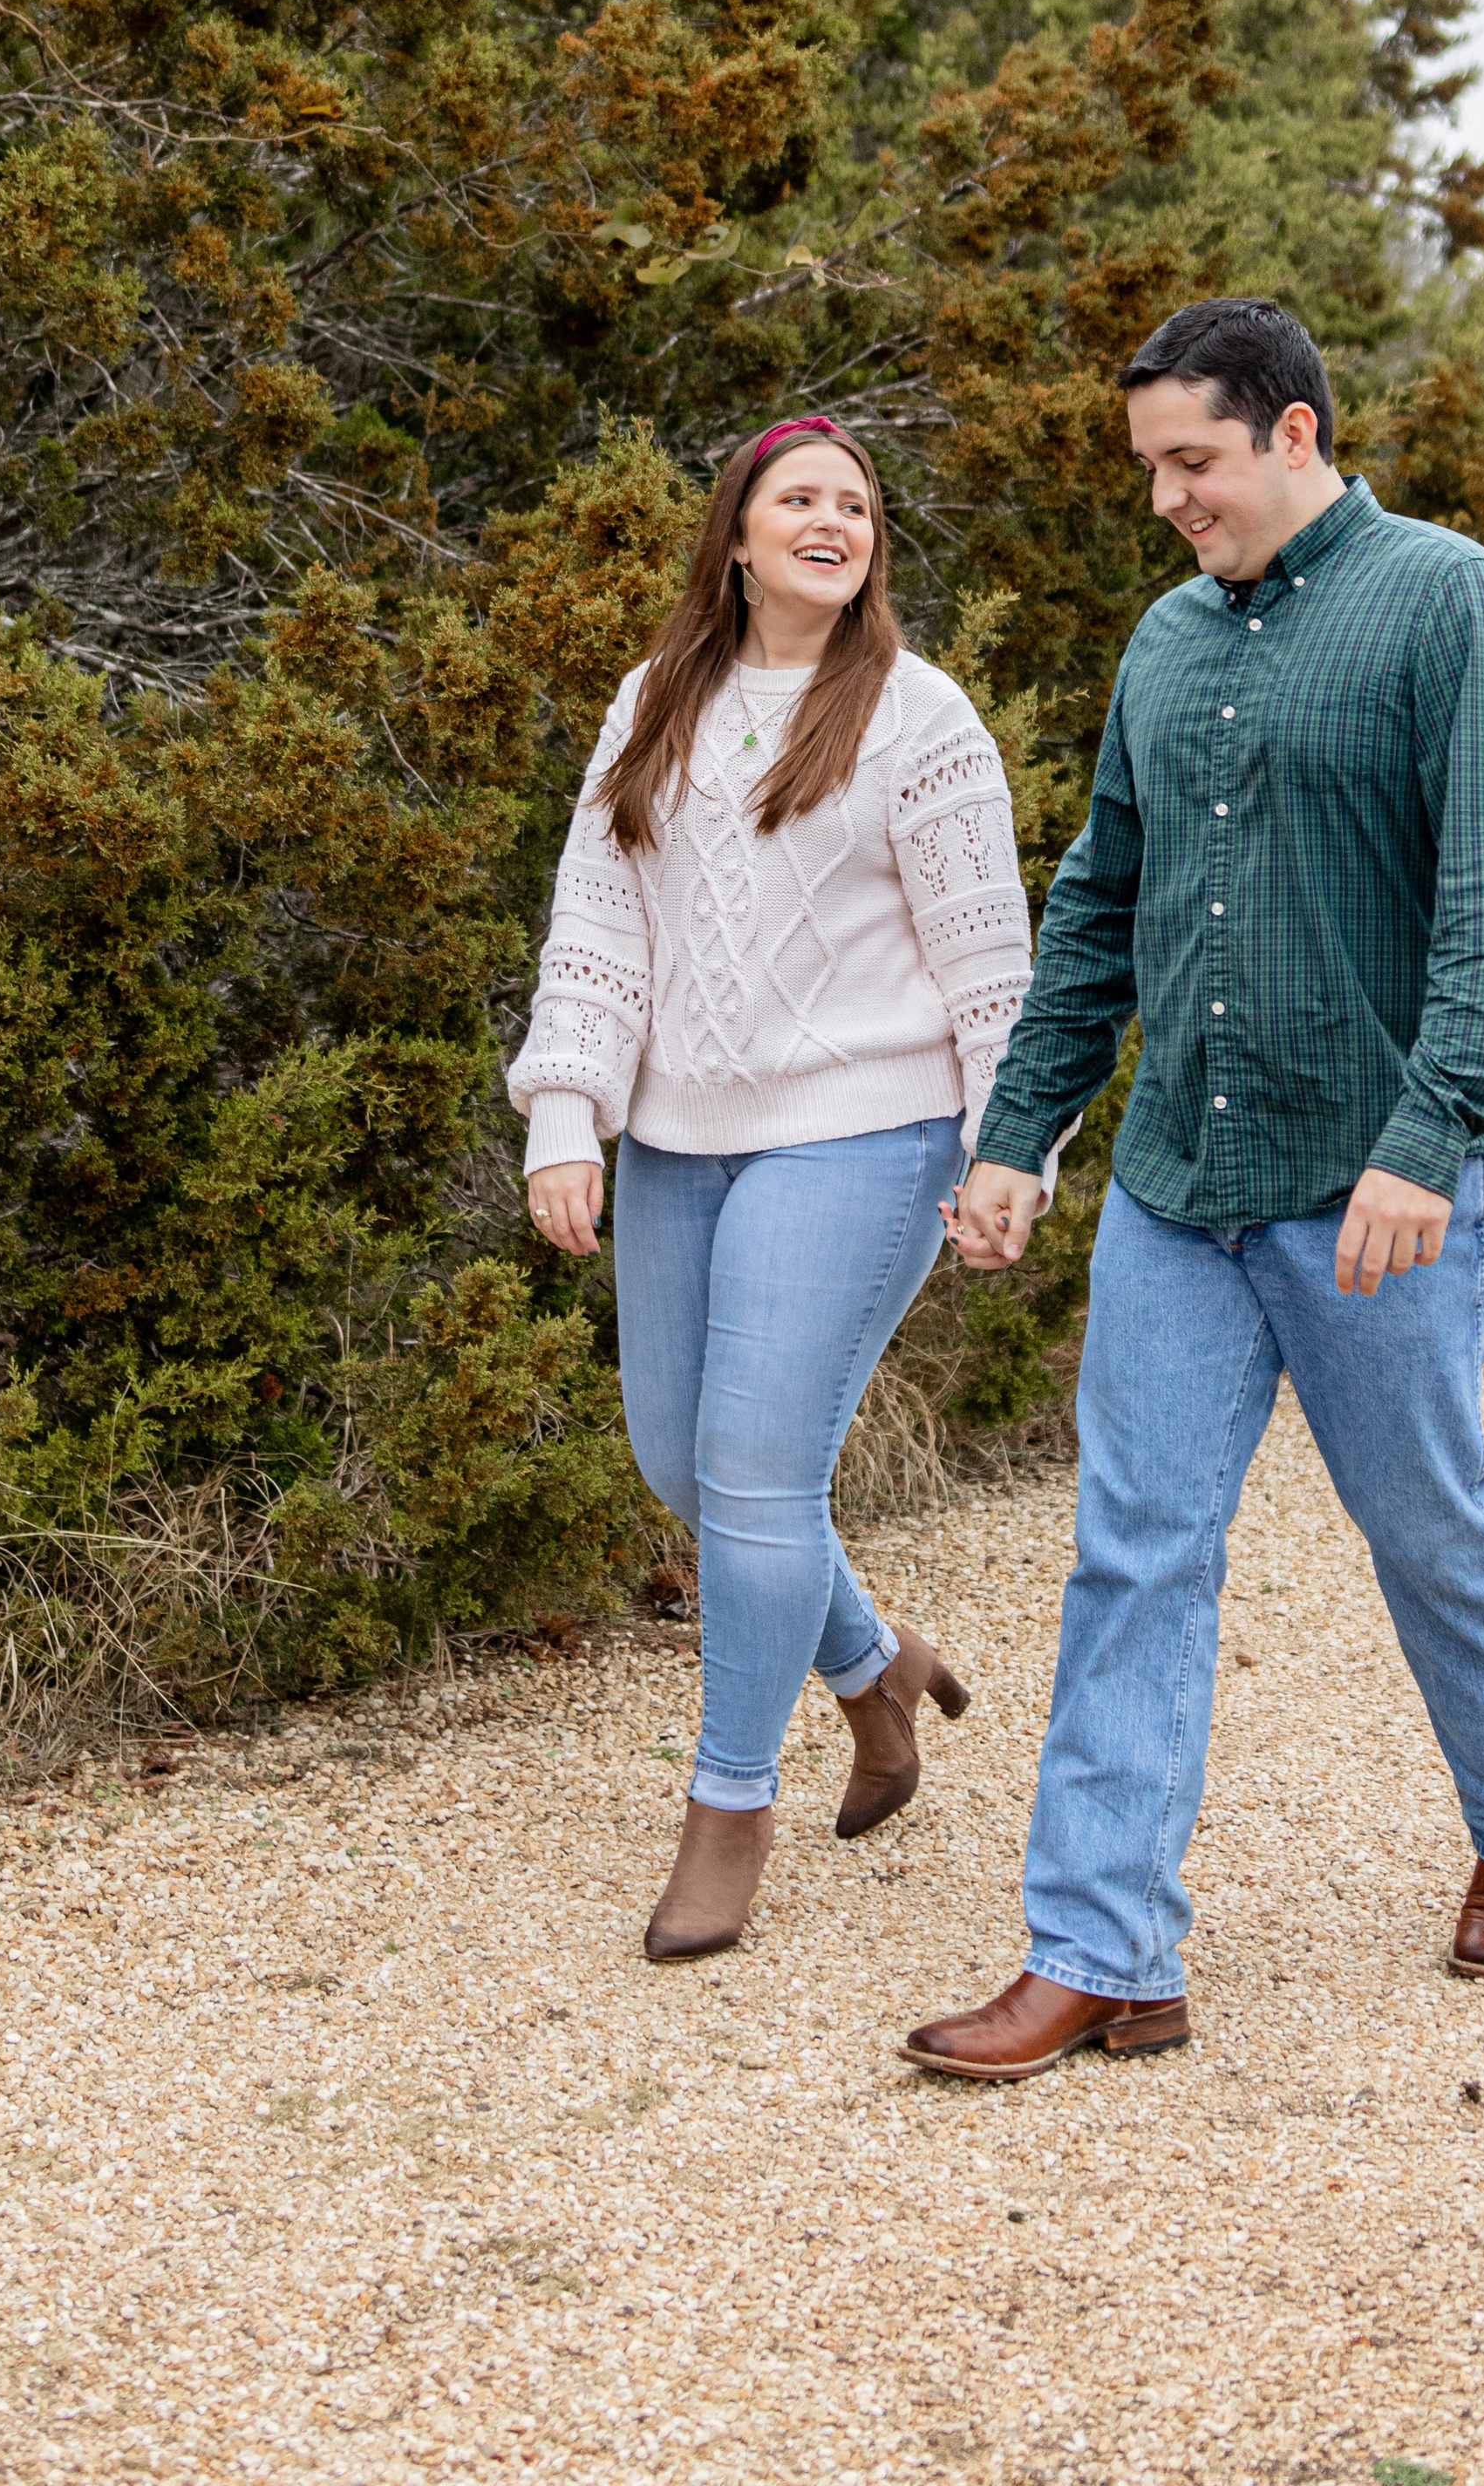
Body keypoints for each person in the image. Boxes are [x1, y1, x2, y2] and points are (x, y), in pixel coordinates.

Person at [902, 299, 1484, 2084]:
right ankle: (1099, 1952)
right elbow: (1099, 915)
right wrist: (1016, 1139)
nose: (1164, 504)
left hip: (1373, 1197)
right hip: (1178, 1194)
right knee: (1133, 1552)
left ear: (1292, 435)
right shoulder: (1159, 646)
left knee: (1422, 1524)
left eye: (1188, 463)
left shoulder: (1448, 603)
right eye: (1148, 471)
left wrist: (1428, 1141)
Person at [511, 416, 1040, 1962]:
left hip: (867, 1131)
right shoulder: (654, 701)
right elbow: (600, 924)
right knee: (684, 1465)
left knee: (755, 1470)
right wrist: (566, 1115)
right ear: (736, 537)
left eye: (856, 504)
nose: (831, 519)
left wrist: (1014, 1155)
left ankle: (729, 1807)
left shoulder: (922, 720)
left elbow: (993, 967)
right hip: (679, 1135)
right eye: (797, 498)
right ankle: (875, 1669)